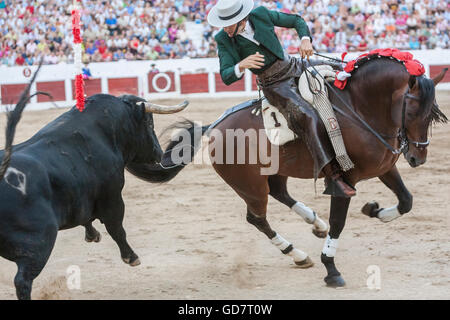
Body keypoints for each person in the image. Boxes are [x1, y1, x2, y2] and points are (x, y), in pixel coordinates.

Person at [207, 0, 356, 197]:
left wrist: (305, 39)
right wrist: (241, 65)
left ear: (242, 20)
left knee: (345, 68)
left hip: (294, 65)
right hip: (273, 84)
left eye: (229, 24)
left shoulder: (260, 14)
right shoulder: (224, 39)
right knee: (307, 116)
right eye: (223, 25)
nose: (225, 29)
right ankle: (334, 177)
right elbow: (226, 75)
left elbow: (296, 20)